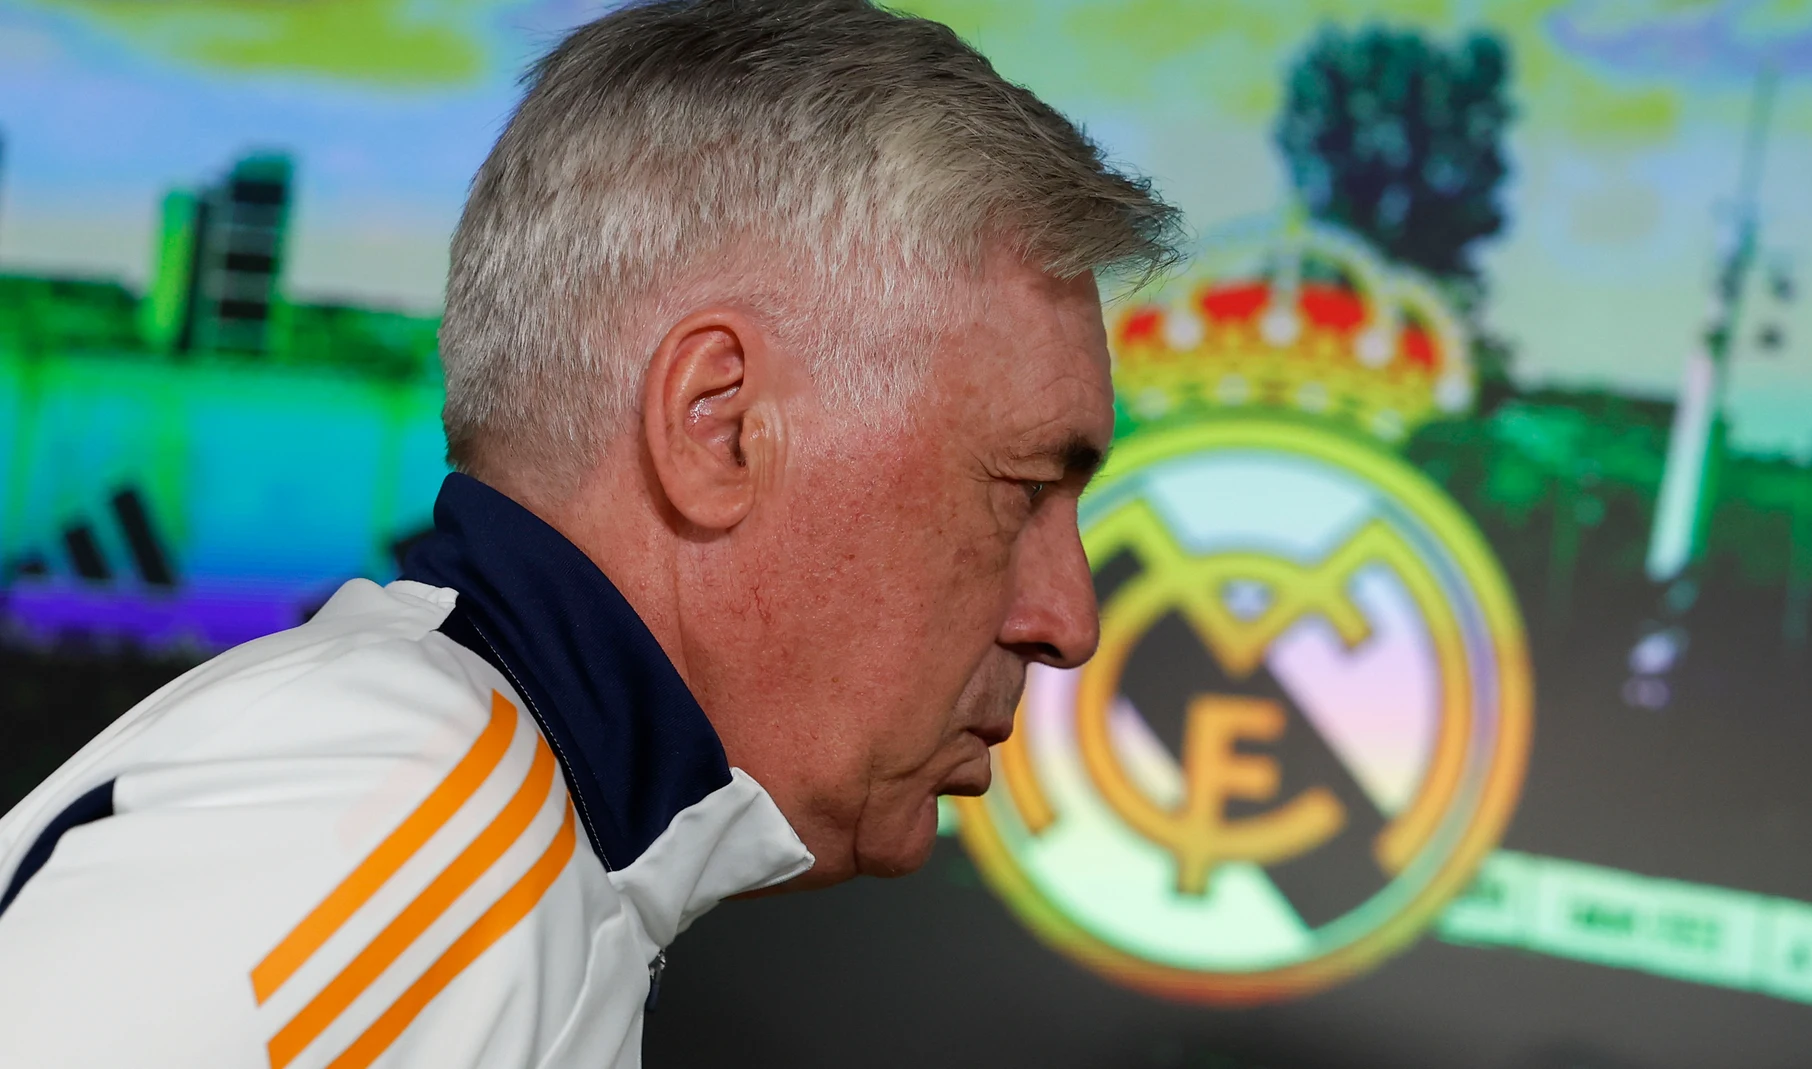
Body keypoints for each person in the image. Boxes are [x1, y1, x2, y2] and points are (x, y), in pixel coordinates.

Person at [0, 0, 1178, 1065]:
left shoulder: (493, 831)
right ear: (719, 428)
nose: (1065, 619)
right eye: (1022, 488)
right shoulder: (441, 844)